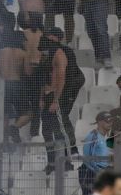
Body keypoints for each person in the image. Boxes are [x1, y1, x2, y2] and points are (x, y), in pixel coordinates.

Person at [36, 26, 85, 174]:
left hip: (67, 87)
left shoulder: (60, 53)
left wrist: (56, 100)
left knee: (59, 122)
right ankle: (51, 161)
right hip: (51, 91)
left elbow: (62, 78)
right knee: (46, 128)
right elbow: (44, 78)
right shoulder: (45, 54)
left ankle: (68, 159)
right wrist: (42, 98)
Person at [78, 112, 115, 195]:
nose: (110, 123)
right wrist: (99, 172)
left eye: (111, 121)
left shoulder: (102, 137)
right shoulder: (93, 136)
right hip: (89, 174)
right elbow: (88, 158)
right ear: (99, 122)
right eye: (107, 121)